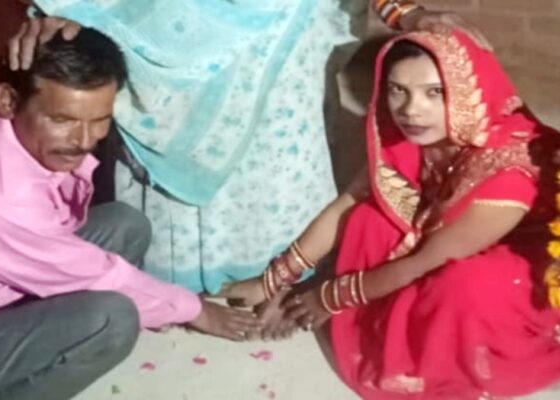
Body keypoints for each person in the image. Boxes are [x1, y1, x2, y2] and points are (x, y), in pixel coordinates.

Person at [6, 0, 492, 296]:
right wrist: (66, 7)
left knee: (278, 153)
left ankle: (281, 271)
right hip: (169, 22)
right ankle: (171, 282)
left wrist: (408, 13)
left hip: (285, 32)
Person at [228, 30, 560, 397]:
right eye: (398, 89)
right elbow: (347, 203)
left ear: (469, 90)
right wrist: (274, 280)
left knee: (463, 286)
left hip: (533, 265)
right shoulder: (411, 132)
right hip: (443, 234)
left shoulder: (509, 172)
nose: (411, 109)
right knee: (370, 219)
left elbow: (423, 262)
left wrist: (327, 297)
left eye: (435, 92)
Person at [0, 28, 260, 400]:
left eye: (98, 119)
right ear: (8, 100)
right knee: (110, 320)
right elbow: (94, 272)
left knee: (126, 225)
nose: (84, 140)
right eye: (63, 119)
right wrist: (194, 310)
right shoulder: (1, 198)